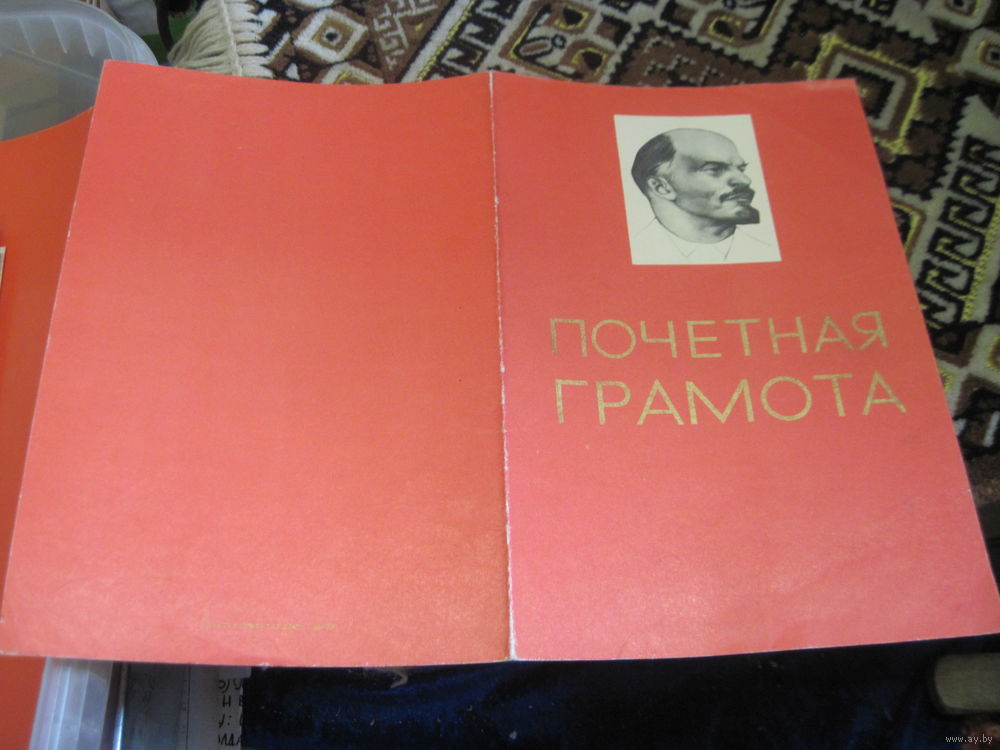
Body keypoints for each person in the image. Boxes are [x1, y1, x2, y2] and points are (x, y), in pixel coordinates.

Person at [629, 128, 779, 264]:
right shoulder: (637, 251)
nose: (745, 180)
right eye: (715, 169)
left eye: (741, 169)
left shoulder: (767, 250)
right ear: (661, 187)